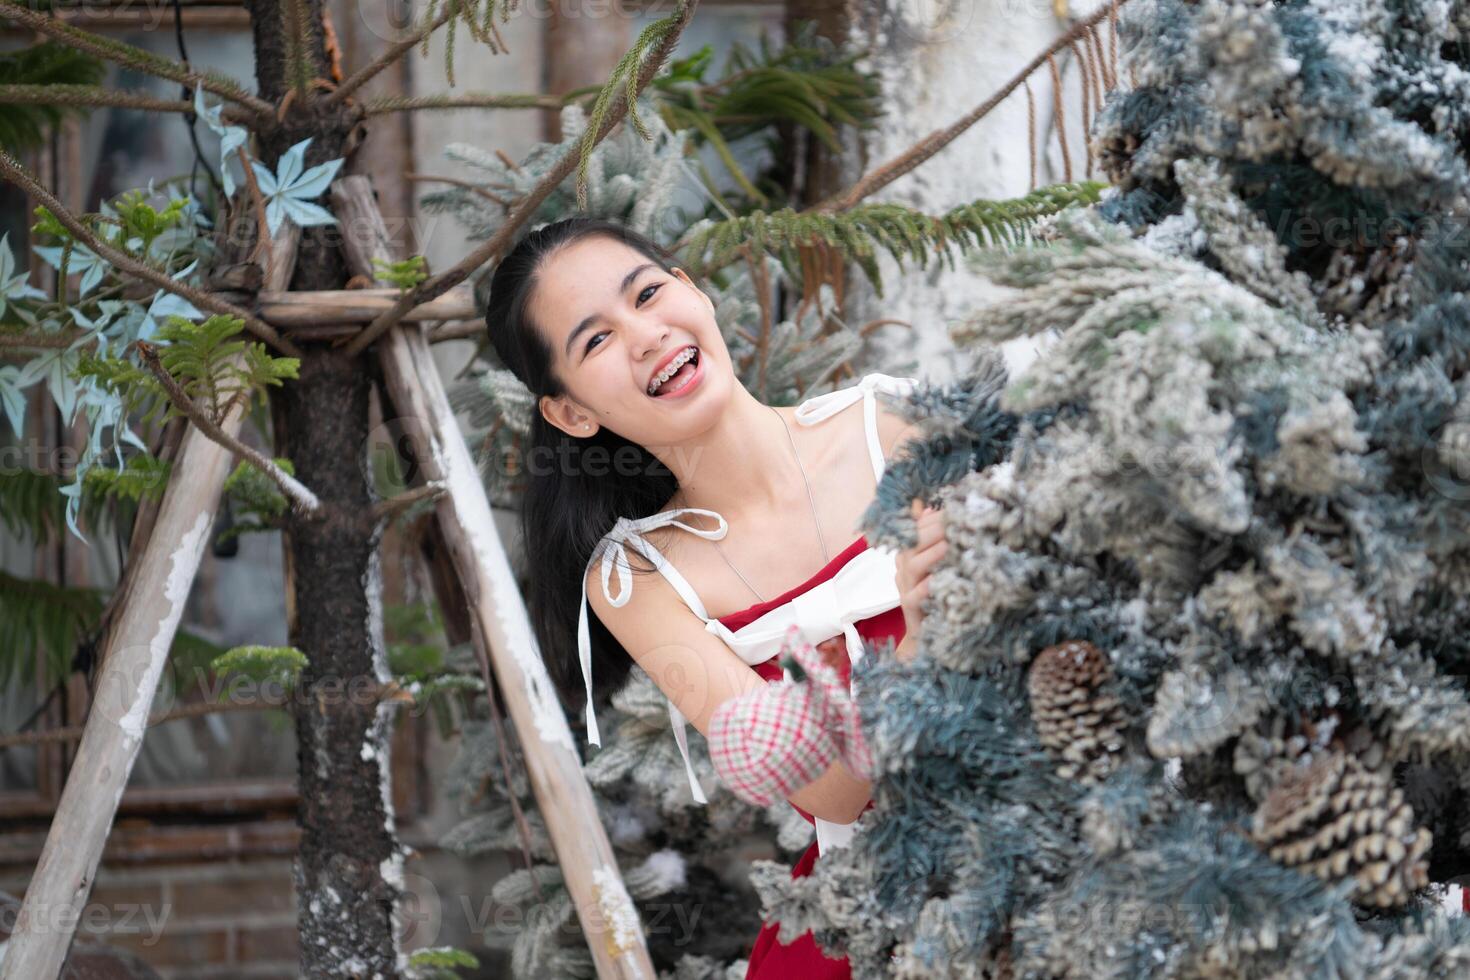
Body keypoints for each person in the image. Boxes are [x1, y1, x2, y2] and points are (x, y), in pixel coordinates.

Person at [484, 215, 948, 977]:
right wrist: (920, 642)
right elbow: (831, 795)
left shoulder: (893, 426)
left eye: (648, 294)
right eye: (594, 340)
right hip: (863, 924)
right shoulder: (636, 578)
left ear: (694, 294)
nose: (645, 336)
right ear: (570, 413)